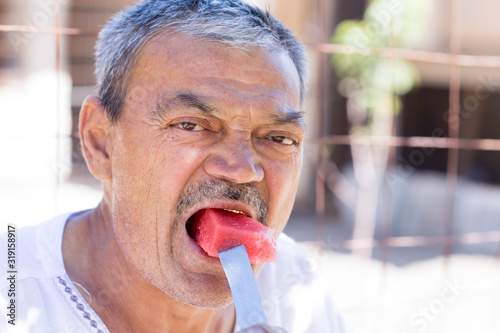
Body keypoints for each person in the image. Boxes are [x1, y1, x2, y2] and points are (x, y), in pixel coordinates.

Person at [0, 0, 349, 332]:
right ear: (100, 142)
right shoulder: (13, 295)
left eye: (278, 137)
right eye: (191, 125)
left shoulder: (296, 289)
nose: (243, 170)